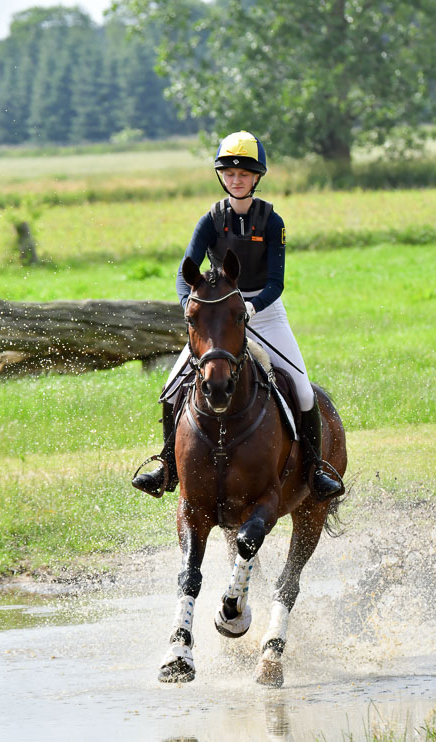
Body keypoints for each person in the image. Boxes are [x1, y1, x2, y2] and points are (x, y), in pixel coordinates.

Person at [132, 130, 343, 501]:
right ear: (222, 177)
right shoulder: (210, 220)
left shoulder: (272, 221)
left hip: (263, 313)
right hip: (219, 314)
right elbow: (187, 273)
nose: (236, 179)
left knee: (303, 389)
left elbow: (276, 283)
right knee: (170, 389)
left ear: (256, 178)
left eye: (243, 174)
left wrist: (252, 307)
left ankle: (315, 470)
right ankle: (167, 466)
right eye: (229, 174)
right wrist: (189, 306)